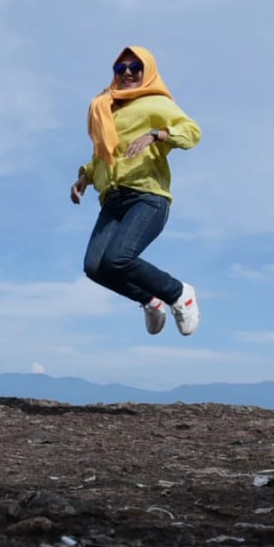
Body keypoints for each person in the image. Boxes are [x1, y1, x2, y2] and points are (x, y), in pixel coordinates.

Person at [70, 46, 202, 336]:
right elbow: (104, 155)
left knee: (117, 258)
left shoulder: (156, 102)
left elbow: (192, 132)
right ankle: (150, 301)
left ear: (148, 71)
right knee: (95, 267)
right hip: (113, 199)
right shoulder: (108, 108)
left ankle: (179, 293)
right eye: (121, 69)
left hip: (147, 196)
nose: (127, 73)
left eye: (135, 68)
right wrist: (85, 177)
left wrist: (156, 134)